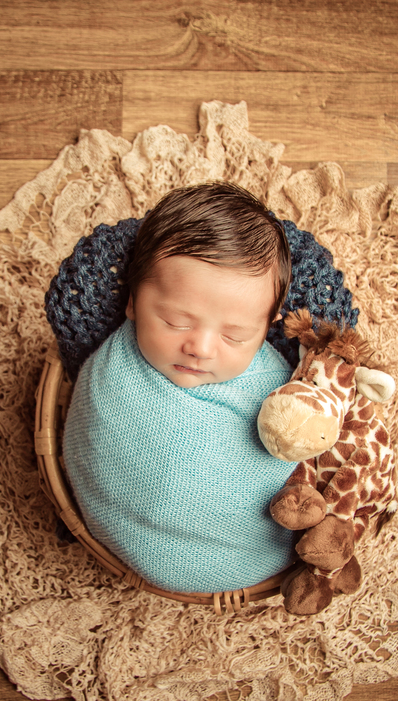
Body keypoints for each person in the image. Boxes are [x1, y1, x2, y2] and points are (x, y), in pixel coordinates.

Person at [61, 182, 300, 594]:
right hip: (125, 528)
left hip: (252, 547)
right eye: (175, 322)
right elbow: (91, 443)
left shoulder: (275, 381)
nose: (200, 349)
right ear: (133, 302)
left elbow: (306, 443)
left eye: (236, 336)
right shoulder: (113, 375)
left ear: (269, 326)